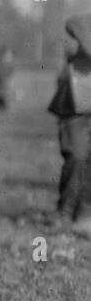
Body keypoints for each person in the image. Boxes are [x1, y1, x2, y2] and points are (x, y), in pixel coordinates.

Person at [49, 13, 91, 235]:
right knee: (76, 156)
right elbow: (75, 26)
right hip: (76, 101)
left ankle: (85, 213)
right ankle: (64, 211)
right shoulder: (84, 23)